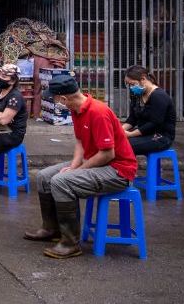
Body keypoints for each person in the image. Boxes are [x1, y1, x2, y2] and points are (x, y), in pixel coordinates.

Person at [24, 74, 137, 259]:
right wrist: (75, 166)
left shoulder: (98, 112)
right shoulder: (76, 110)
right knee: (44, 176)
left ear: (63, 99)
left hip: (117, 170)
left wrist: (77, 170)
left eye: (54, 98)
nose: (54, 102)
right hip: (95, 162)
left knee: (61, 181)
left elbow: (108, 154)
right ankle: (51, 229)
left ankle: (70, 243)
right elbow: (80, 142)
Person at [121, 65, 176, 156]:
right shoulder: (137, 95)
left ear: (143, 79)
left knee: (122, 145)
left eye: (132, 84)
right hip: (144, 134)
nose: (131, 87)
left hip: (161, 137)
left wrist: (131, 134)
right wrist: (120, 130)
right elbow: (132, 118)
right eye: (128, 85)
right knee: (114, 141)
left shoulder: (158, 96)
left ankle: (124, 165)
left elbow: (154, 123)